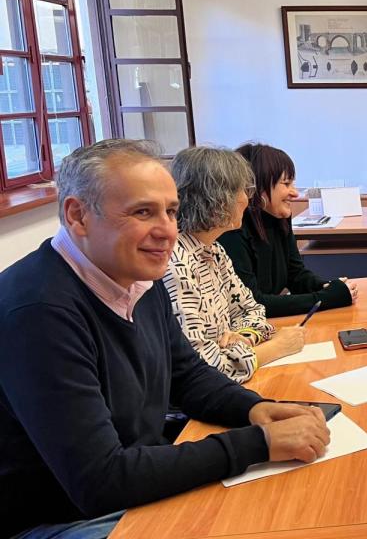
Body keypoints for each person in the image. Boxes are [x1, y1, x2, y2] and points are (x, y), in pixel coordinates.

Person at [0, 139, 331, 538]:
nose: (167, 231)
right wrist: (258, 443)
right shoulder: (38, 313)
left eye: (171, 212)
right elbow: (100, 481)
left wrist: (255, 409)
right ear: (78, 216)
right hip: (62, 519)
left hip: (128, 481)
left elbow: (187, 373)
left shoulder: (136, 275)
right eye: (143, 212)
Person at [163, 146, 306, 383]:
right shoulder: (176, 265)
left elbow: (253, 310)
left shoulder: (214, 251)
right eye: (243, 190)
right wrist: (275, 348)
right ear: (218, 198)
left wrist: (245, 336)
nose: (246, 199)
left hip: (231, 389)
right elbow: (203, 371)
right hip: (194, 412)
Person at [218, 143, 358, 317]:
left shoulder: (280, 217)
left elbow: (295, 274)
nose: (295, 193)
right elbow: (254, 303)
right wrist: (324, 299)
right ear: (256, 187)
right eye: (286, 183)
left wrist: (325, 286)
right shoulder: (232, 231)